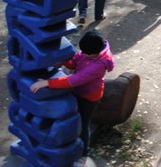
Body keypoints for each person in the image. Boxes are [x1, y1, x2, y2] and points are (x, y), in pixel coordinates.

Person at [30, 30, 115, 162]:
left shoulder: (98, 65)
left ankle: (84, 152)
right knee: (72, 117)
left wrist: (47, 83)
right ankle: (70, 139)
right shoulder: (91, 50)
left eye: (86, 53)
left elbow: (73, 79)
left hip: (89, 97)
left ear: (94, 54)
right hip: (79, 90)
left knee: (83, 123)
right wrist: (63, 61)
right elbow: (76, 60)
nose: (83, 54)